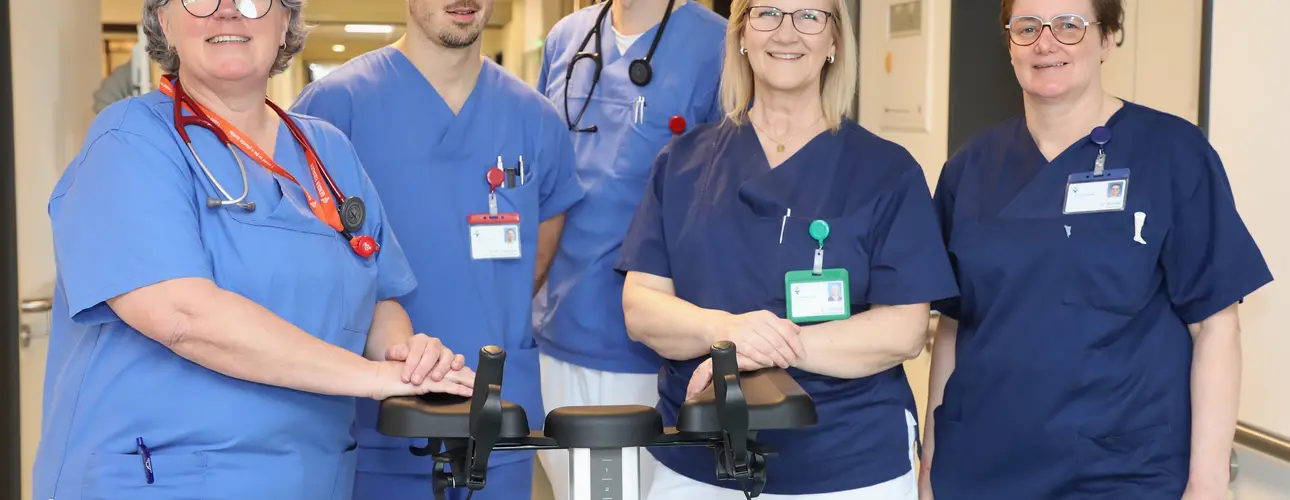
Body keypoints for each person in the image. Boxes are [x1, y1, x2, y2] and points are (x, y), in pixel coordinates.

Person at [32, 0, 475, 498]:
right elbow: (183, 315)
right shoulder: (128, 143)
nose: (229, 14)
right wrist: (372, 378)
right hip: (159, 479)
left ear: (285, 21)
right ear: (163, 22)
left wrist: (405, 356)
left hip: (310, 475)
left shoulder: (328, 152)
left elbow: (378, 295)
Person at [920, 0, 1274, 498]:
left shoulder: (1172, 153)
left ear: (1107, 38)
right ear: (1009, 44)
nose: (1046, 43)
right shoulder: (969, 169)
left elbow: (1215, 325)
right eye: (1026, 27)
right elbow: (954, 325)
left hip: (1121, 470)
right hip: (982, 465)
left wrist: (1208, 481)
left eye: (1070, 25)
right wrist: (932, 459)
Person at [616, 0, 959, 497]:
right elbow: (641, 307)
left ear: (835, 41)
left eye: (810, 16)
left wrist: (758, 348)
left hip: (848, 463)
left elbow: (904, 330)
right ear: (741, 34)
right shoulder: (683, 163)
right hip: (699, 460)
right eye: (768, 13)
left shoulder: (887, 172)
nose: (787, 32)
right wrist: (728, 331)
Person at [289, 0, 585, 498]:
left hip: (498, 416)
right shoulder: (333, 109)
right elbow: (306, 266)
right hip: (375, 423)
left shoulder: (534, 118)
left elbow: (540, 252)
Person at [531, 0, 726, 495]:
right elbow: (543, 176)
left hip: (655, 348)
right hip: (557, 331)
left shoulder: (719, 44)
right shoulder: (565, 38)